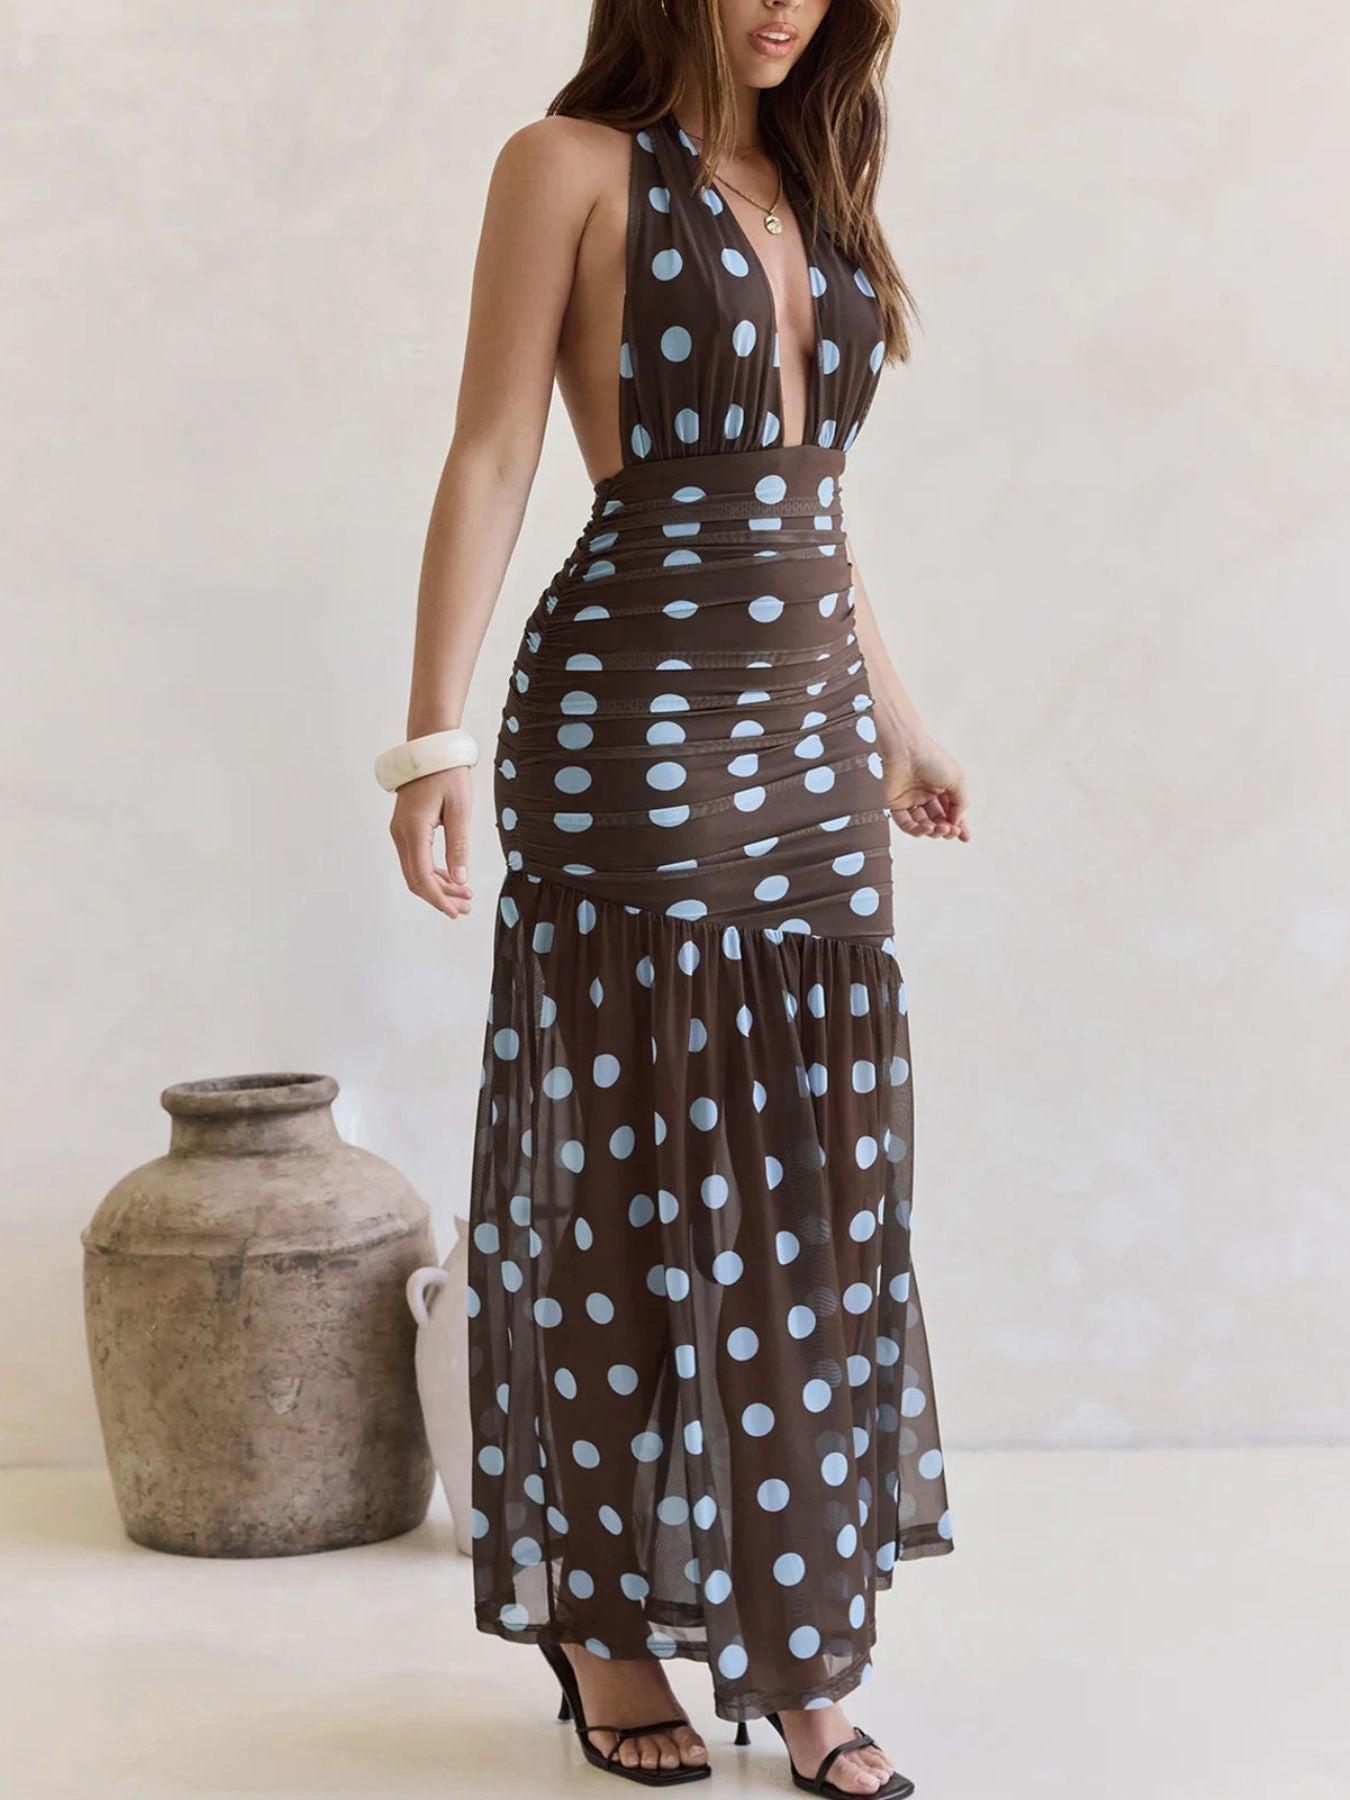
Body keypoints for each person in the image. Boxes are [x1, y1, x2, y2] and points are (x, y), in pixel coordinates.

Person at [379, 3, 969, 1793]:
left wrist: (897, 723)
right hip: (629, 716)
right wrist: (431, 745)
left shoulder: (812, 177)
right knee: (630, 1175)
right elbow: (492, 452)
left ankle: (801, 1655)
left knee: (814, 1189)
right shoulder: (562, 166)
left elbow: (820, 505)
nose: (781, 2)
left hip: (806, 743)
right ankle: (610, 1631)